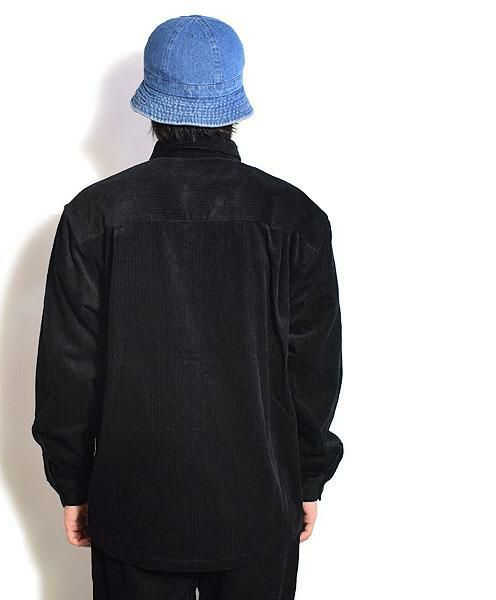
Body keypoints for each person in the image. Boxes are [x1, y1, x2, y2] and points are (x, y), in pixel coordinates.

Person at [31, 14, 344, 600]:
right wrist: (309, 477)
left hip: (133, 505)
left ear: (152, 105)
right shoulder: (296, 217)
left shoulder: (94, 215)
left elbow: (68, 368)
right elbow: (314, 369)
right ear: (233, 106)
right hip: (260, 501)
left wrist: (73, 482)